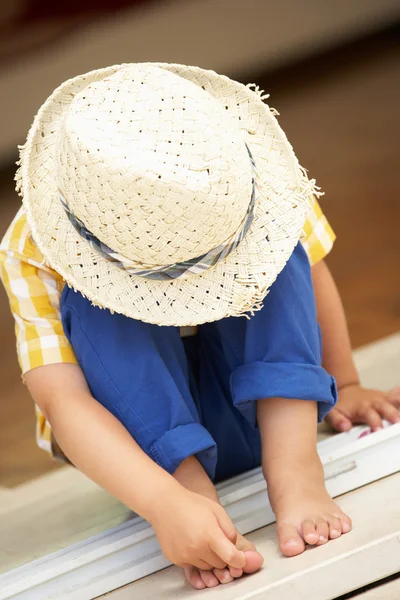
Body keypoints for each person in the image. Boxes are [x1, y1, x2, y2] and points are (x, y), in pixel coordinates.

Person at [1, 63, 399, 591]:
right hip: (141, 452)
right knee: (90, 302)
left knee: (280, 258)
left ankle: (295, 468)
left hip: (261, 412)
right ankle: (193, 497)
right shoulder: (35, 248)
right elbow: (64, 404)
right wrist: (164, 503)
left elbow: (311, 273)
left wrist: (345, 383)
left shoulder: (248, 180)